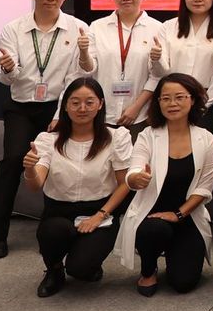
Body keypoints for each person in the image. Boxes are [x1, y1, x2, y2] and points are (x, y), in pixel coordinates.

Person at [0, 0, 91, 260]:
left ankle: (53, 232)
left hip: (60, 106)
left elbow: (77, 77)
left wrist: (60, 113)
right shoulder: (13, 29)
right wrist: (9, 69)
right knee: (12, 161)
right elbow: (6, 78)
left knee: (60, 165)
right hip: (21, 106)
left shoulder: (78, 28)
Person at [23, 77, 133, 297]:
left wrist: (100, 215)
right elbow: (36, 185)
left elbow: (125, 185)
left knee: (81, 270)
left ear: (100, 104)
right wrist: (29, 169)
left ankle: (85, 262)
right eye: (75, 102)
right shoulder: (48, 140)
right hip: (58, 211)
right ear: (65, 106)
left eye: (89, 102)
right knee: (53, 231)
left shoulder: (116, 137)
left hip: (100, 211)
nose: (82, 108)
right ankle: (54, 270)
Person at [120, 73, 213, 296]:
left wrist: (178, 214)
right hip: (152, 216)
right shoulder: (148, 135)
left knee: (183, 283)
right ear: (158, 103)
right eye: (165, 98)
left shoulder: (206, 139)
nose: (172, 103)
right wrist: (136, 178)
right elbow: (134, 170)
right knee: (154, 229)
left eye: (179, 97)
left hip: (187, 215)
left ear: (192, 100)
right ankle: (148, 270)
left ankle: (176, 251)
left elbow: (204, 188)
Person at [155, 0, 213, 132]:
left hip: (206, 104)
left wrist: (204, 103)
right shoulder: (168, 27)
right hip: (172, 102)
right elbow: (162, 70)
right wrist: (156, 59)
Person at [85, 0, 158, 130]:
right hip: (102, 112)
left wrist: (136, 108)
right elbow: (89, 69)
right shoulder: (97, 27)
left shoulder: (157, 29)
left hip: (140, 115)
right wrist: (83, 53)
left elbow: (157, 75)